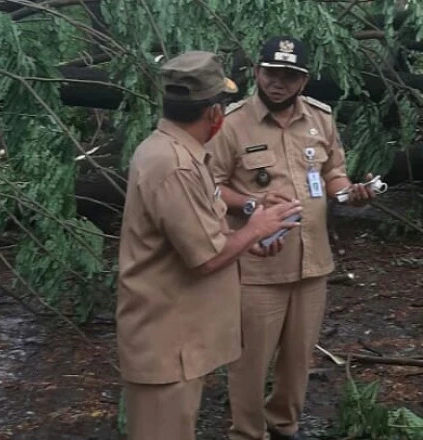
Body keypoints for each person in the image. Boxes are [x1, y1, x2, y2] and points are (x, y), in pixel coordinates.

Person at [115, 50, 302, 440]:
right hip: (166, 343)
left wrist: (247, 240)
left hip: (182, 341)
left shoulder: (178, 151)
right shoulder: (175, 165)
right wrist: (255, 228)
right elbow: (205, 259)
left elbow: (203, 233)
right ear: (216, 114)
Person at [207, 37, 375, 440]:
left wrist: (348, 192)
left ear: (303, 80)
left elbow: (333, 171)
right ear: (257, 73)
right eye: (271, 73)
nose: (278, 83)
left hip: (312, 261)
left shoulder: (320, 119)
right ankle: (247, 432)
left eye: (289, 76)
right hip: (258, 264)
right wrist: (250, 205)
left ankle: (284, 426)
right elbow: (208, 187)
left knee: (298, 359)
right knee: (250, 361)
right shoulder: (231, 123)